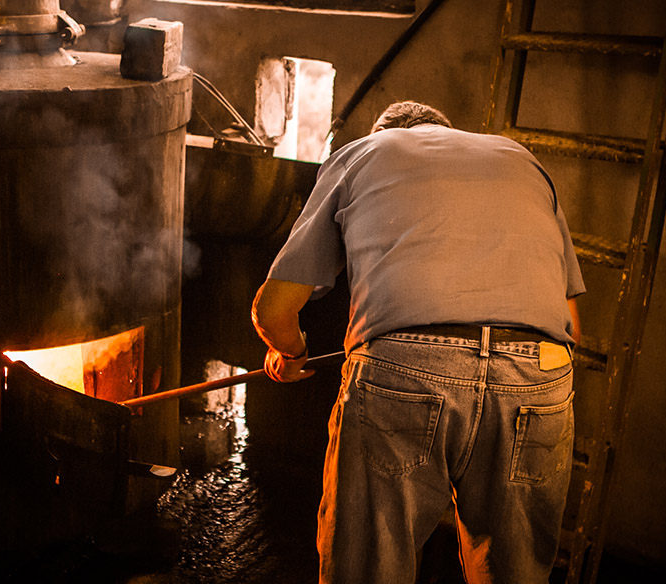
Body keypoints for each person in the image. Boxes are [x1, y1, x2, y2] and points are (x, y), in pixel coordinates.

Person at [250, 101, 584, 584]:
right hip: (539, 377)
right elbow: (574, 330)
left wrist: (292, 353)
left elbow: (274, 308)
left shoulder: (364, 152)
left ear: (385, 132)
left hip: (403, 371)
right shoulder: (521, 159)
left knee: (368, 570)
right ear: (445, 132)